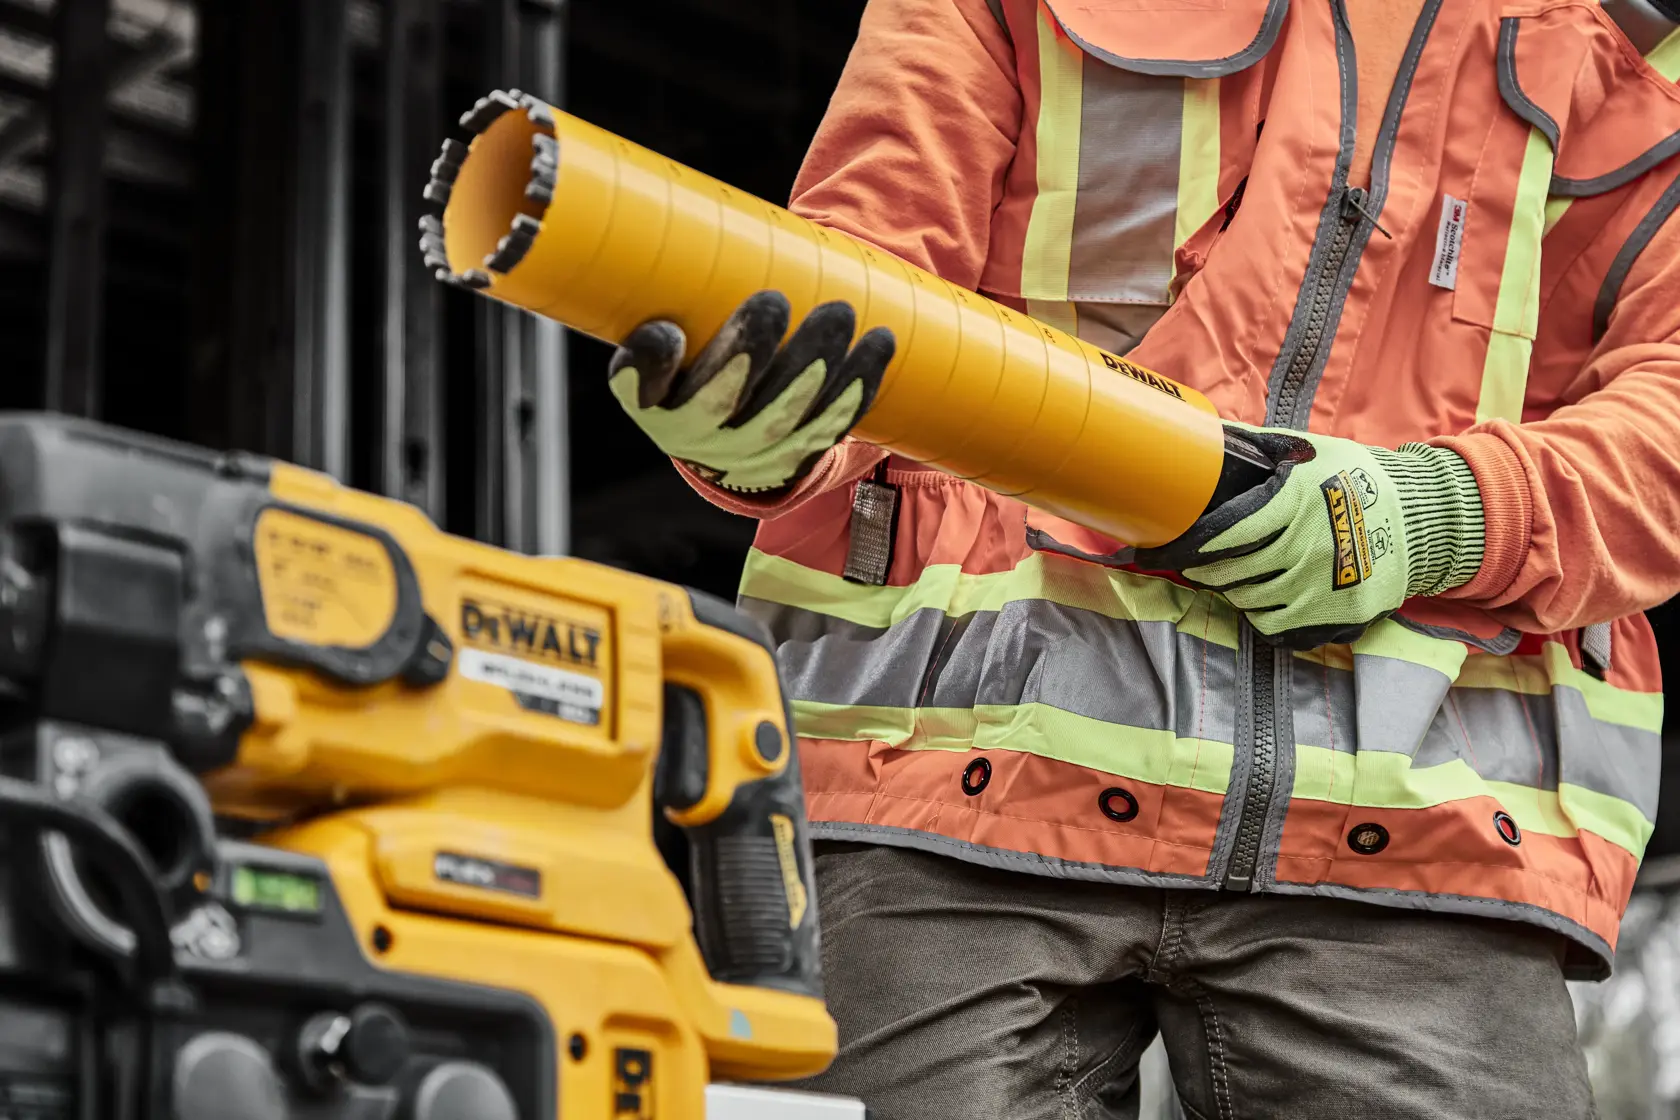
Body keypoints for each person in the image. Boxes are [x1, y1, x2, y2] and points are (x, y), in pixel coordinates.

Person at [608, 1, 1680, 1116]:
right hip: (948, 784)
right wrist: (769, 431)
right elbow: (860, 287)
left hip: (1412, 839)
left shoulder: (1637, 41)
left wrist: (1438, 512)